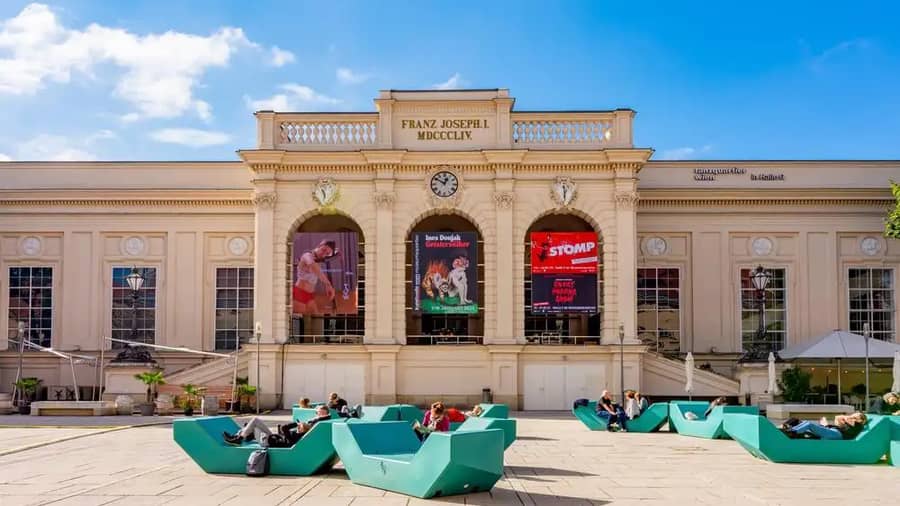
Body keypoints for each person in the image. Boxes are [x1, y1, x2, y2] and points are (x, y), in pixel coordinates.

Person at [224, 404, 332, 446]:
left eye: (317, 411)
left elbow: (286, 429)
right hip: (274, 438)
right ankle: (238, 436)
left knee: (253, 422)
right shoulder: (317, 421)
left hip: (268, 441)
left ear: (323, 412)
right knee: (251, 423)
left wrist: (297, 424)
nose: (316, 412)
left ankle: (240, 438)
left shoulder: (317, 422)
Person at [293, 239, 338, 314]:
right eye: (323, 250)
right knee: (301, 322)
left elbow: (335, 252)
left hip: (310, 295)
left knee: (317, 318)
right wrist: (328, 284)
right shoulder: (307, 255)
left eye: (327, 253)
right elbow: (314, 268)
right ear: (319, 245)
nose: (323, 254)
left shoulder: (317, 259)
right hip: (299, 294)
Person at [783, 412, 868, 440]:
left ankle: (792, 432)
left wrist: (851, 416)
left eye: (858, 416)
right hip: (834, 432)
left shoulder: (858, 425)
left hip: (837, 434)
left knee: (809, 424)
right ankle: (791, 430)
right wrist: (826, 425)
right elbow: (837, 418)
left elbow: (845, 418)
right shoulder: (851, 424)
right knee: (806, 422)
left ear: (861, 421)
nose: (855, 416)